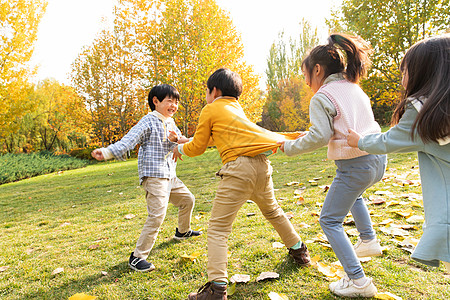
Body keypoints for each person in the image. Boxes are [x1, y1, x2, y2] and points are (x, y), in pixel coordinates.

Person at [173, 68, 311, 300]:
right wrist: (190, 140)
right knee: (273, 211)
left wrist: (179, 148)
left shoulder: (211, 108)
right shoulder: (236, 108)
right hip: (261, 166)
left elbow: (197, 148)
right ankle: (299, 252)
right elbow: (216, 138)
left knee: (218, 229)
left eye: (207, 91)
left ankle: (216, 289)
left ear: (214, 91)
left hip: (238, 170)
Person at [278, 34, 387, 298]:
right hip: (378, 160)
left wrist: (287, 147)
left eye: (305, 75)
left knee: (329, 220)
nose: (305, 83)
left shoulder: (323, 96)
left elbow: (320, 135)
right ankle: (369, 239)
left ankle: (358, 281)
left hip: (355, 165)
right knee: (355, 195)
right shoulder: (354, 87)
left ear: (317, 70)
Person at [347, 34, 450, 273]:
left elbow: (389, 140)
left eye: (404, 71)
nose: (402, 77)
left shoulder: (422, 112)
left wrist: (360, 141)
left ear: (425, 73)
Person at [91, 84, 202, 273]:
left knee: (187, 200)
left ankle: (182, 232)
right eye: (170, 101)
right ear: (156, 101)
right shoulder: (148, 121)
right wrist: (107, 152)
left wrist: (191, 141)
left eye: (176, 102)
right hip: (154, 176)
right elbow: (129, 140)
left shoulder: (170, 122)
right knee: (157, 215)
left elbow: (181, 139)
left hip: (170, 175)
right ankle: (137, 257)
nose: (174, 105)